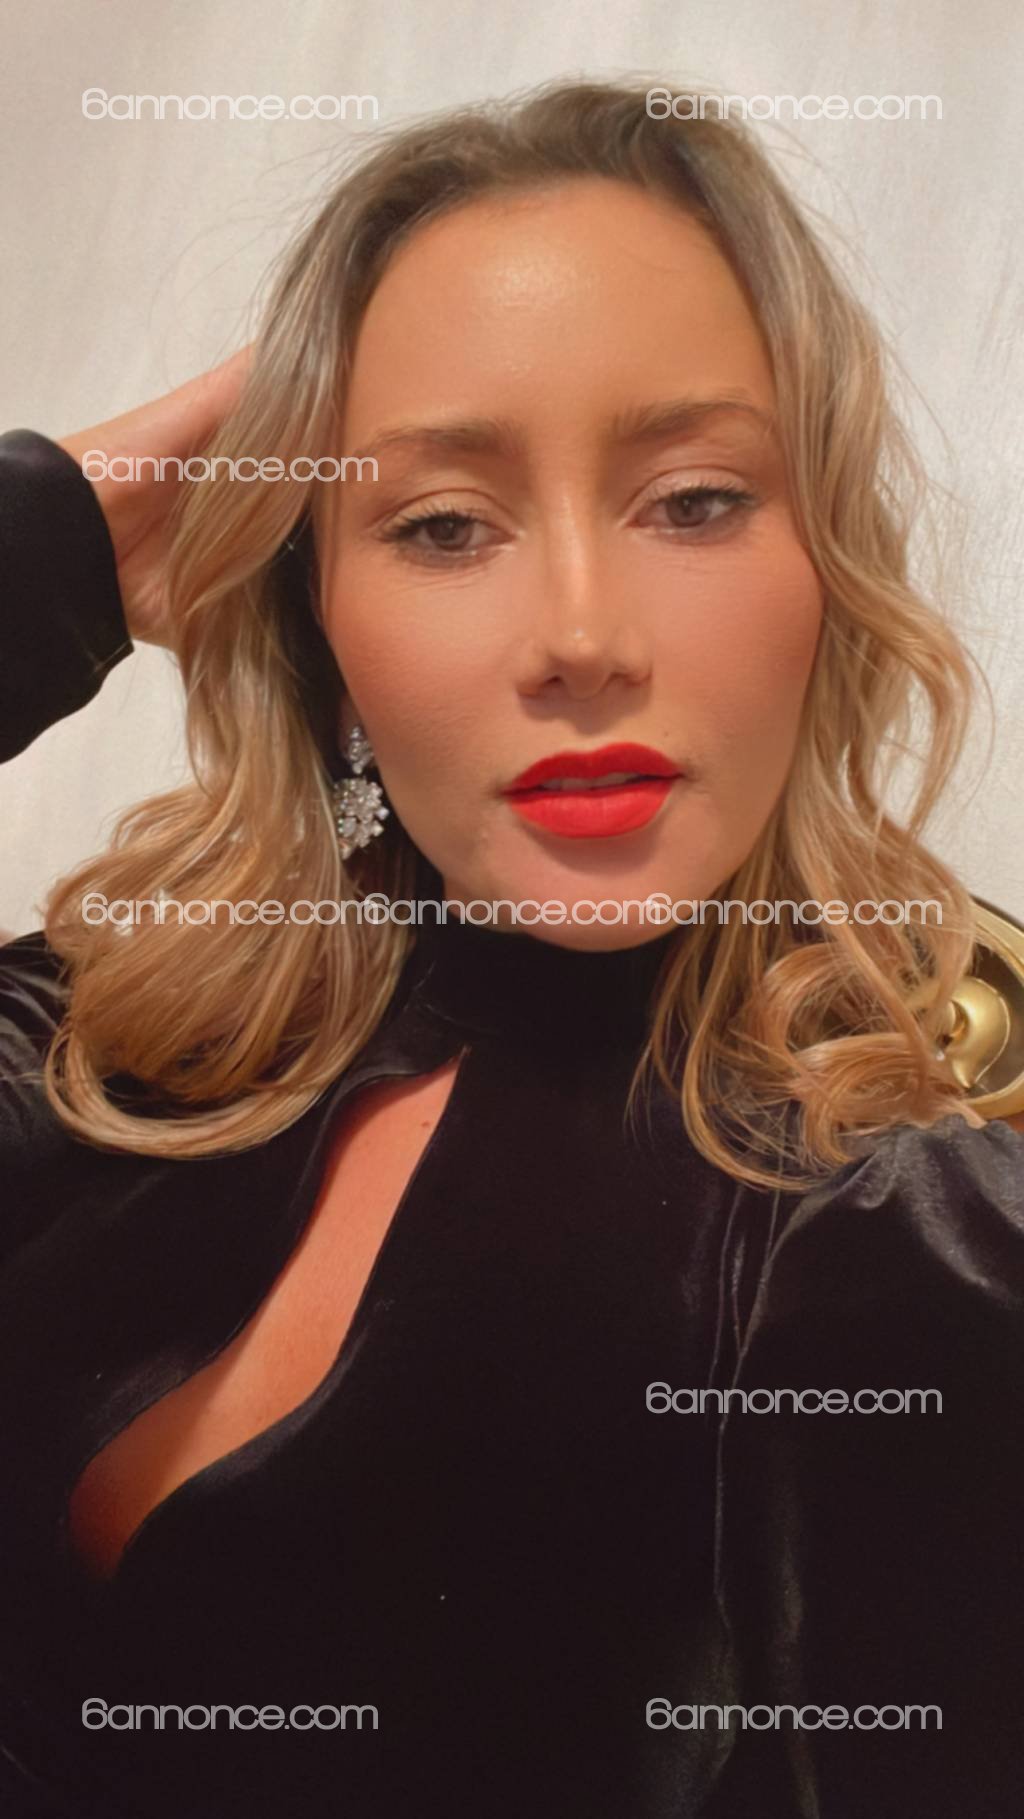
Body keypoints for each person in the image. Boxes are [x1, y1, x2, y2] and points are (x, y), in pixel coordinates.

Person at [1, 77, 1022, 1819]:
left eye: (693, 499)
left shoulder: (919, 1242)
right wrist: (51, 547)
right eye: (441, 525)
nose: (579, 634)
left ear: (830, 570)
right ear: (317, 617)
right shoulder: (106, 1033)